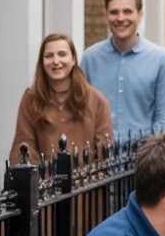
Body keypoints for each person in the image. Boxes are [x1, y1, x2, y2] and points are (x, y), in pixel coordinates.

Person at [81, 0, 165, 141]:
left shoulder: (161, 59)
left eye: (127, 11)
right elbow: (82, 111)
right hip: (99, 154)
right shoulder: (89, 59)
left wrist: (152, 152)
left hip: (144, 154)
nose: (120, 18)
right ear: (106, 15)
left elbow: (163, 118)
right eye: (114, 12)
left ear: (140, 15)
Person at [10, 33, 113, 164]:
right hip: (45, 176)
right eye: (49, 56)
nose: (56, 61)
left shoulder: (97, 101)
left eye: (62, 54)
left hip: (87, 176)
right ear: (42, 62)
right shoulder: (31, 99)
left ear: (73, 59)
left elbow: (104, 154)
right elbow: (24, 147)